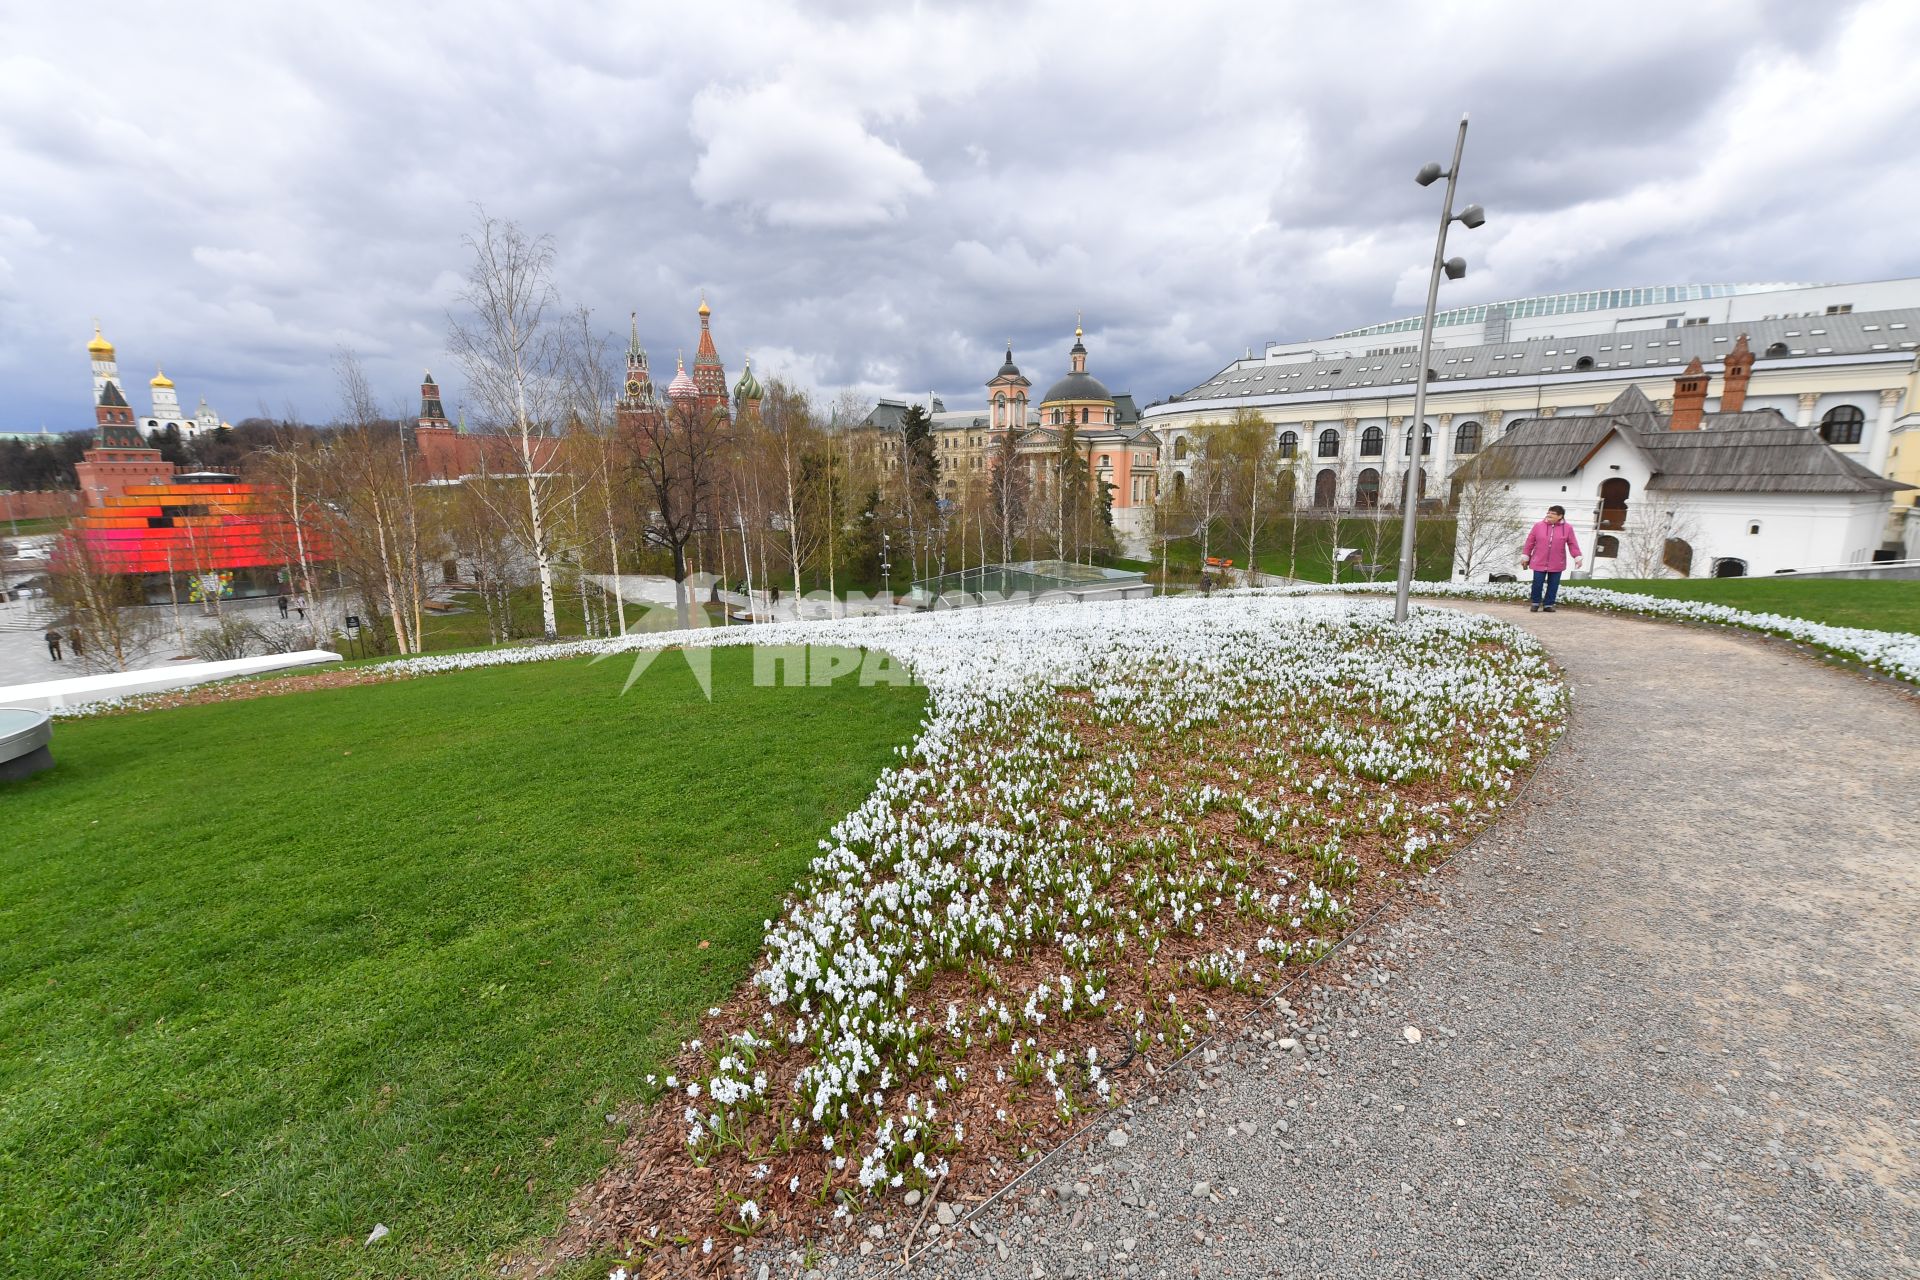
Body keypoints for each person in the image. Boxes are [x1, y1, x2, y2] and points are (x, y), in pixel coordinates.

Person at [1521, 504, 1583, 612]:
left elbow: (1572, 544)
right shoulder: (1538, 526)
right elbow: (1530, 542)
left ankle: (1548, 604)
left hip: (1557, 562)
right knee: (1537, 583)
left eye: (1553, 513)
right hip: (1539, 560)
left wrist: (1577, 557)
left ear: (1560, 516)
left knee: (1553, 585)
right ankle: (1535, 603)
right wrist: (1526, 556)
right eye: (1548, 512)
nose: (1549, 515)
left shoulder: (1568, 528)